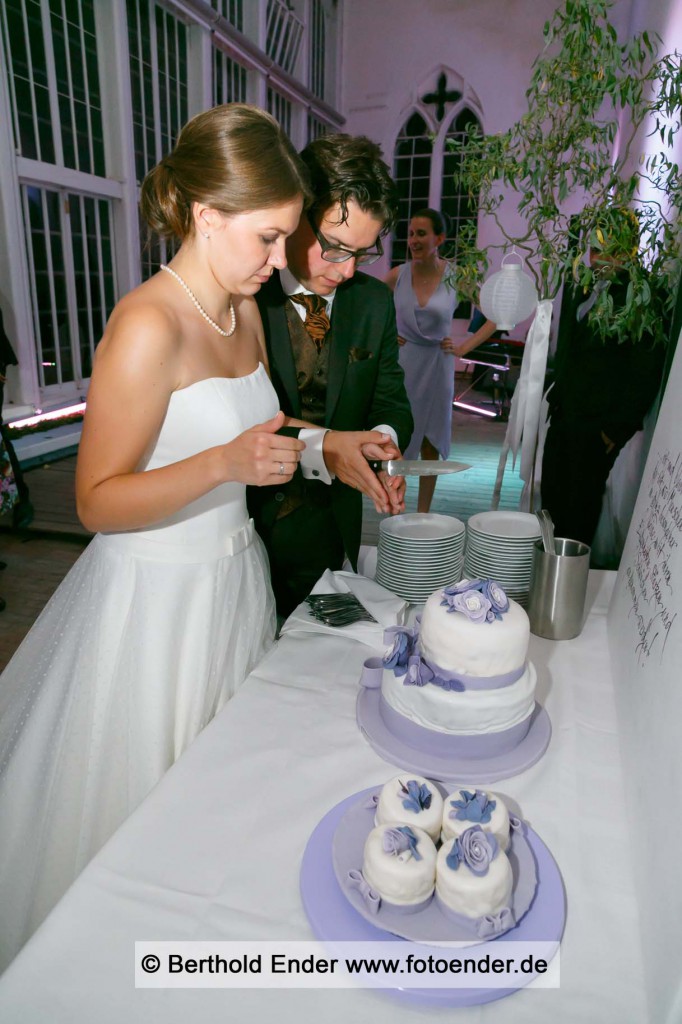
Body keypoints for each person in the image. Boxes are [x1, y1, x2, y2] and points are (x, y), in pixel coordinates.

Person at [0, 103, 311, 970]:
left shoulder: (242, 311)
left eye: (284, 239)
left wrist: (324, 448)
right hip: (154, 608)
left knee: (217, 810)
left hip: (231, 584)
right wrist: (220, 466)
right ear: (206, 215)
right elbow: (97, 502)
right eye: (267, 238)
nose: (279, 261)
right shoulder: (146, 325)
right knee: (135, 828)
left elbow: (256, 439)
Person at [248, 133, 414, 616]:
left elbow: (391, 401)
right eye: (337, 248)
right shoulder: (246, 297)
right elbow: (242, 421)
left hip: (331, 531)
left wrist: (381, 445)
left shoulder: (372, 302)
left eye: (362, 254)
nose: (346, 271)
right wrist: (326, 444)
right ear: (297, 213)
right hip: (248, 526)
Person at [541, 214, 666, 547]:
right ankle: (547, 576)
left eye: (604, 249)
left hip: (597, 426)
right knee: (551, 503)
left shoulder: (642, 295)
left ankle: (570, 588)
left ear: (626, 251)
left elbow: (646, 368)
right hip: (565, 414)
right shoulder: (586, 286)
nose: (595, 258)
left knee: (579, 513)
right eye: (593, 250)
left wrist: (614, 431)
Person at [384, 209, 496, 513]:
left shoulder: (456, 276)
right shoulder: (397, 274)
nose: (414, 240)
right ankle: (397, 505)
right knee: (401, 434)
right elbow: (373, 310)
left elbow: (493, 316)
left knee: (430, 441)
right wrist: (387, 333)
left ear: (439, 239)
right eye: (411, 234)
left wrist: (463, 347)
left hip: (438, 364)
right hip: (405, 364)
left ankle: (423, 512)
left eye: (421, 233)